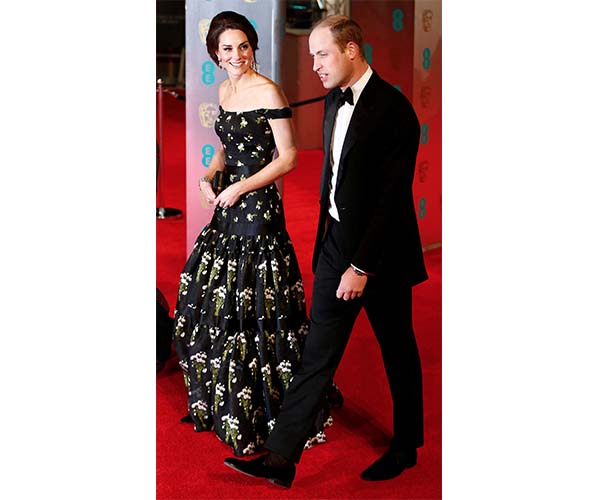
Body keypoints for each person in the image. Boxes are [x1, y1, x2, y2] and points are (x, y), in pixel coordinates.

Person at [224, 15, 428, 487]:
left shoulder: (395, 110)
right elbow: (334, 178)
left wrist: (361, 266)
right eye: (312, 55)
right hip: (337, 244)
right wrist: (332, 247)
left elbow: (390, 202)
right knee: (316, 352)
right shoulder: (335, 97)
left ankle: (406, 447)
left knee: (397, 349)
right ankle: (281, 458)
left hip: (380, 256)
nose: (314, 65)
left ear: (351, 49)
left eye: (322, 54)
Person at [172, 10, 339, 458]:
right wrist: (210, 176)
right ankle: (221, 399)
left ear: (253, 48)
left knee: (256, 304)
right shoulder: (224, 90)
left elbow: (289, 157)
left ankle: (265, 409)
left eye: (244, 46)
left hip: (258, 210)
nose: (237, 55)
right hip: (228, 207)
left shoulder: (268, 91)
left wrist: (241, 188)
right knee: (208, 297)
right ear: (215, 53)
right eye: (228, 48)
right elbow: (226, 149)